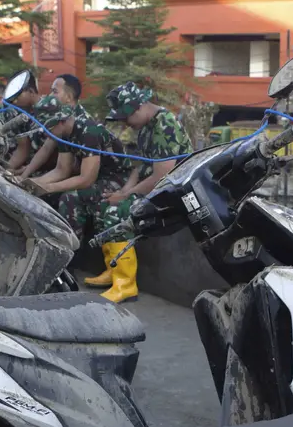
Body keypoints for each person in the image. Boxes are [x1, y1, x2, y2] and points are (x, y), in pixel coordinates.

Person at [86, 82, 194, 303]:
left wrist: (126, 196)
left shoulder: (164, 123)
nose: (125, 124)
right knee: (105, 203)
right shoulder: (145, 126)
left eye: (125, 118)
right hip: (155, 187)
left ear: (138, 107)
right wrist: (124, 190)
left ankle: (125, 284)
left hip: (174, 191)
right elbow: (139, 166)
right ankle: (113, 269)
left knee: (117, 211)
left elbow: (160, 177)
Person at [30, 96, 133, 278]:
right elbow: (62, 170)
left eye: (48, 127)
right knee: (43, 194)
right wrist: (33, 185)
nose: (46, 133)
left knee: (71, 198)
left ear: (61, 121)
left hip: (118, 178)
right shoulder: (64, 134)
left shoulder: (88, 131)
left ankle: (68, 261)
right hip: (99, 177)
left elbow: (86, 179)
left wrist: (49, 188)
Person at [18, 74, 92, 179]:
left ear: (69, 97)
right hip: (66, 170)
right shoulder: (60, 116)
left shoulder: (82, 122)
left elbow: (79, 172)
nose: (50, 95)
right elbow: (46, 148)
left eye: (55, 91)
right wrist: (23, 176)